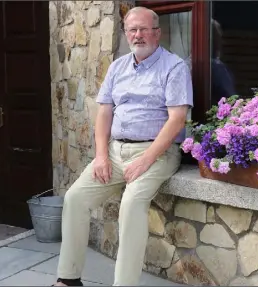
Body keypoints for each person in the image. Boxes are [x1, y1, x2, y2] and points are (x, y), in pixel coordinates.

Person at [52, 6, 193, 286]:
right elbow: (104, 112)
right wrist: (102, 155)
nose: (137, 35)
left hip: (157, 152)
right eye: (132, 30)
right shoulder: (118, 66)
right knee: (75, 198)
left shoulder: (174, 67)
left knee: (130, 205)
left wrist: (146, 159)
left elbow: (177, 120)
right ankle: (68, 279)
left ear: (157, 33)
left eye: (143, 29)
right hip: (115, 152)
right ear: (126, 33)